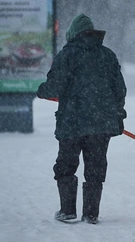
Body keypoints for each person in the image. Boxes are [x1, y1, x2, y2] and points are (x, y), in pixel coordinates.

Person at [37, 14, 127, 224]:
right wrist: (118, 115)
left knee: (66, 165)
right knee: (95, 167)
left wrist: (41, 91)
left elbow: (55, 86)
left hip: (72, 122)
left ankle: (67, 210)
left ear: (73, 35)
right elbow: (119, 90)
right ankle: (91, 214)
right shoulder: (107, 55)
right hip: (101, 123)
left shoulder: (67, 55)